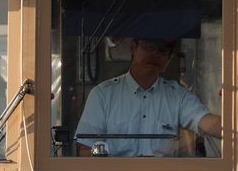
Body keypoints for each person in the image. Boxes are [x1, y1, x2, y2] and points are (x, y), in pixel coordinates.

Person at [75, 37, 221, 157]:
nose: (155, 55)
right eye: (149, 47)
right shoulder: (103, 94)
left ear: (168, 59)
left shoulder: (177, 95)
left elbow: (207, 123)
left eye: (163, 51)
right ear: (133, 48)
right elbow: (86, 150)